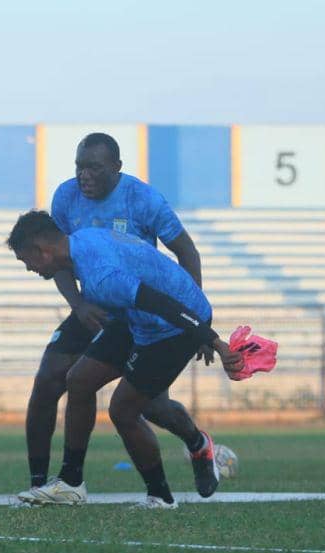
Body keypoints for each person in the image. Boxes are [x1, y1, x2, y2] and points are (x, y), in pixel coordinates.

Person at [19, 132, 216, 503]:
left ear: (117, 168)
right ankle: (49, 483)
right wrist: (77, 304)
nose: (84, 176)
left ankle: (196, 443)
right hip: (94, 302)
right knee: (53, 380)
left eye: (94, 168)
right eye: (79, 167)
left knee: (147, 407)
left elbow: (186, 252)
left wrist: (200, 327)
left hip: (142, 307)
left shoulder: (144, 199)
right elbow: (57, 256)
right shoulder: (65, 197)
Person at [8, 211, 243, 508]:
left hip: (172, 328)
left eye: (26, 260)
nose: (29, 268)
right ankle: (70, 483)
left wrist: (212, 340)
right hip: (137, 318)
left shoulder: (101, 276)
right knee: (78, 380)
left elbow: (163, 304)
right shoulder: (82, 242)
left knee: (124, 410)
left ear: (42, 251)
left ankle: (161, 497)